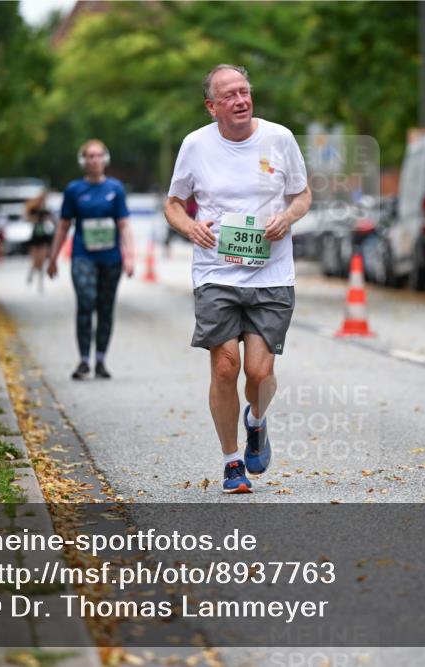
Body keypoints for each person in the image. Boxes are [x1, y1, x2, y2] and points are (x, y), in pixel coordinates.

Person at [164, 64, 312, 494]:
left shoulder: (279, 138)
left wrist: (288, 217)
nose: (240, 100)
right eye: (229, 95)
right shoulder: (195, 145)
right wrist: (190, 228)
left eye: (244, 92)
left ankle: (257, 420)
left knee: (260, 374)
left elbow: (302, 194)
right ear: (212, 107)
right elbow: (174, 203)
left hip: (271, 273)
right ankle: (232, 463)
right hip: (216, 272)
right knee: (225, 366)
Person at [47, 139, 134, 380]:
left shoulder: (115, 189)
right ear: (82, 161)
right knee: (86, 302)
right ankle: (84, 359)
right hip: (82, 255)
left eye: (98, 156)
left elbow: (124, 224)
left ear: (105, 159)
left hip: (111, 258)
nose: (94, 160)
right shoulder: (74, 190)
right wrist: (53, 258)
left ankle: (101, 359)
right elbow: (64, 226)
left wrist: (130, 257)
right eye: (89, 156)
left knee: (105, 308)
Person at [25, 192, 55, 292]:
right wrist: (36, 218)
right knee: (35, 261)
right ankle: (31, 273)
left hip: (43, 238)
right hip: (35, 238)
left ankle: (40, 283)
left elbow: (52, 219)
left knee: (41, 262)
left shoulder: (45, 211)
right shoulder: (33, 210)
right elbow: (27, 218)